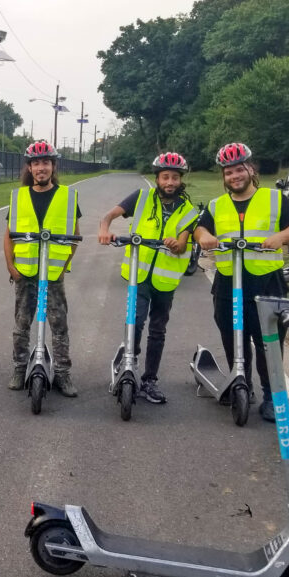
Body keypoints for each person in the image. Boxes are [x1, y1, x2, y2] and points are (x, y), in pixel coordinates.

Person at [194, 142, 289, 422]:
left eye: (239, 170)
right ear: (224, 177)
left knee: (268, 340)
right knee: (232, 336)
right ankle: (240, 381)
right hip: (228, 281)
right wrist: (203, 236)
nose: (235, 176)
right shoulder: (217, 205)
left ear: (250, 169)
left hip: (267, 282)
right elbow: (201, 228)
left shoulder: (274, 198)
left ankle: (271, 396)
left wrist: (280, 238)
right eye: (229, 172)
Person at [98, 152, 198, 404]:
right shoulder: (141, 198)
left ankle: (150, 380)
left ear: (180, 179)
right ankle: (128, 362)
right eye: (165, 177)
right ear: (157, 178)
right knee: (136, 320)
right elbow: (109, 216)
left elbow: (184, 245)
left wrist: (177, 244)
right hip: (138, 275)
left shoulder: (188, 209)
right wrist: (104, 230)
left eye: (175, 177)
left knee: (158, 329)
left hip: (166, 279)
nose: (170, 182)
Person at [4, 140, 81, 397]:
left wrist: (63, 265)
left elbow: (75, 237)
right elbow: (8, 236)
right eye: (36, 163)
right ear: (29, 167)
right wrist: (11, 267)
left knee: (59, 326)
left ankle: (63, 374)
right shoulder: (19, 196)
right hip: (25, 274)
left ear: (53, 166)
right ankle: (19, 368)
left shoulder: (68, 196)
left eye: (46, 163)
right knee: (21, 325)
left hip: (53, 275)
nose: (41, 168)